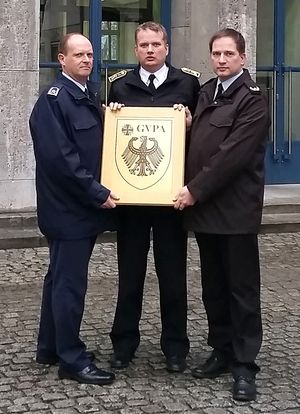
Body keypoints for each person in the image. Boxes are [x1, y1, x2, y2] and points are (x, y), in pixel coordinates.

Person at [174, 28, 269, 401]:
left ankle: (245, 365)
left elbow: (232, 155)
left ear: (243, 58)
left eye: (229, 54)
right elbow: (199, 142)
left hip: (235, 211)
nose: (222, 60)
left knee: (241, 290)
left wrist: (193, 189)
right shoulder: (206, 93)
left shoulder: (253, 100)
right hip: (207, 212)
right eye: (216, 54)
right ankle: (222, 349)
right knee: (213, 287)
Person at [107, 21, 200, 372]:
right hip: (132, 202)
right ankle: (123, 344)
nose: (149, 50)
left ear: (166, 47)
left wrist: (190, 124)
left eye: (156, 44)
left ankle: (175, 348)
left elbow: (201, 137)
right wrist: (112, 117)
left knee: (173, 277)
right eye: (143, 44)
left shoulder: (188, 84)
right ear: (135, 49)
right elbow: (112, 142)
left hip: (171, 201)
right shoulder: (120, 87)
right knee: (129, 276)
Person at [29, 33, 118, 385]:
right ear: (61, 59)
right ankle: (71, 359)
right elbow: (63, 162)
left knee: (57, 279)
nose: (86, 59)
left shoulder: (86, 96)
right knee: (69, 285)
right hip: (68, 211)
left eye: (90, 54)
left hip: (78, 210)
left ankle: (50, 346)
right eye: (78, 54)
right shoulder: (54, 101)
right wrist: (98, 193)